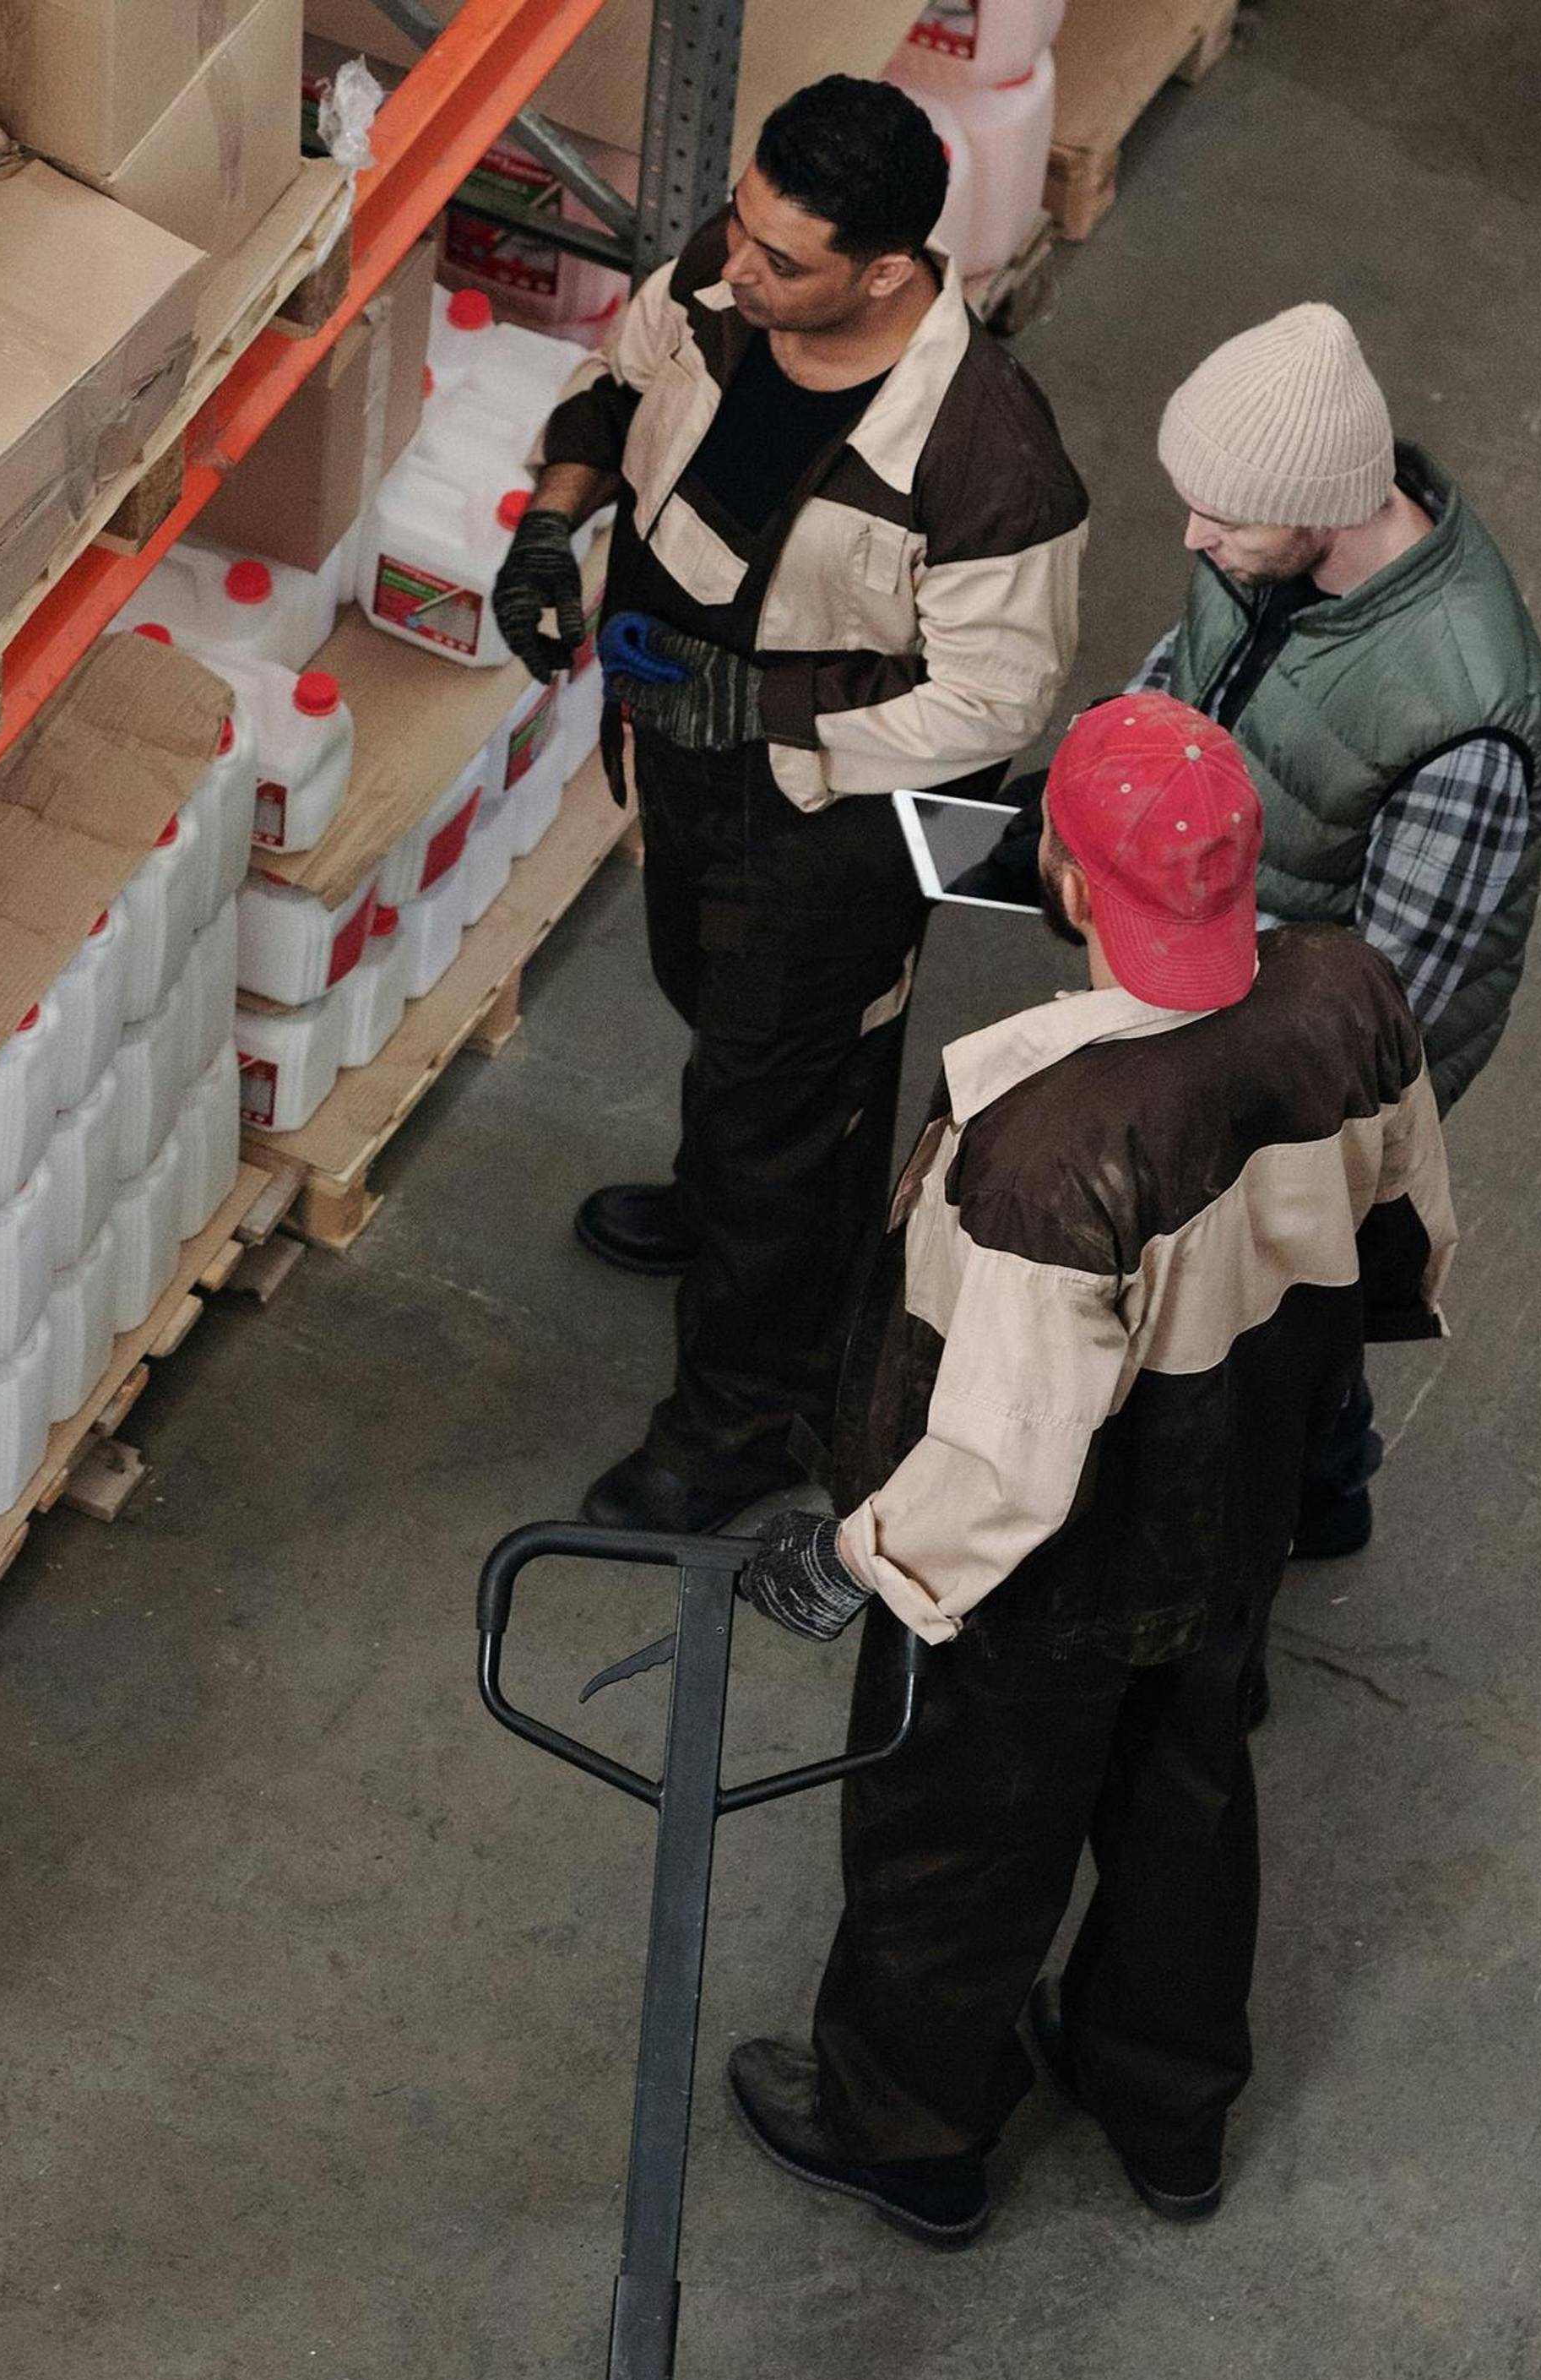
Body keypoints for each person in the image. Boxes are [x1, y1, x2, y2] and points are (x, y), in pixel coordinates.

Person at [721, 697, 1453, 2244]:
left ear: (1063, 876)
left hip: (1047, 1584)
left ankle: (907, 2135)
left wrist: (855, 1560)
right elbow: (1406, 1235)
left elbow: (1004, 1462)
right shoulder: (1350, 995)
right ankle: (1166, 2109)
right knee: (1187, 1790)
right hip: (1236, 1502)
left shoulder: (1045, 1145)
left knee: (958, 1846)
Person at [498, 73, 1087, 1538]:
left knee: (789, 1102)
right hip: (687, 756)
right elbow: (615, 392)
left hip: (833, 821)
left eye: (782, 257)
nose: (735, 267)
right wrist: (550, 528)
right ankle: (728, 1213)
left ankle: (749, 1419)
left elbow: (995, 701)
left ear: (885, 272)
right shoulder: (729, 278)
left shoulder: (984, 453)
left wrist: (765, 717)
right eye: (741, 226)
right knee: (713, 1012)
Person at [1134, 301, 1541, 1556]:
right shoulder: (1264, 542)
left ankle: (1316, 1491)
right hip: (1219, 974)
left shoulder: (1465, 713)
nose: (1194, 536)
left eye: (1221, 517)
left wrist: (1171, 933)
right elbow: (1197, 663)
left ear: (1325, 507)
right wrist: (1115, 770)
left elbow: (1376, 1004)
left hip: (1322, 1062)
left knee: (1285, 1289)